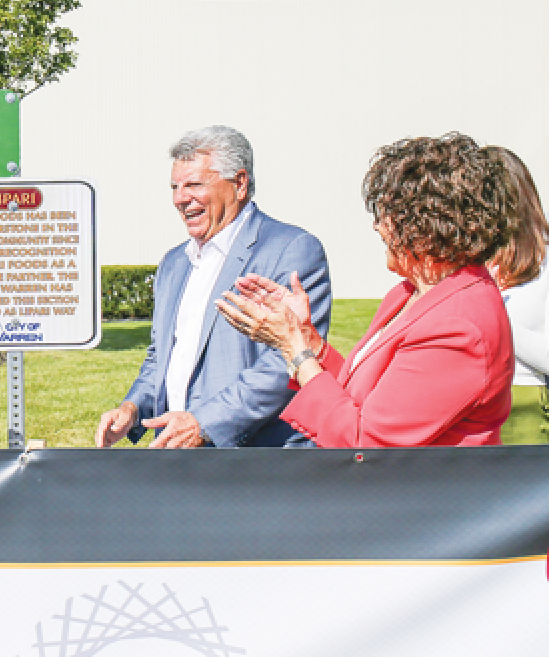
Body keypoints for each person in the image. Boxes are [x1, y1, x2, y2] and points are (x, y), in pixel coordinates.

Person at [219, 133, 516, 447]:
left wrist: (295, 351)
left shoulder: (458, 326)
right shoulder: (409, 294)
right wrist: (305, 336)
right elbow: (361, 395)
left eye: (386, 215)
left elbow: (365, 443)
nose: (377, 226)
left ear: (426, 226)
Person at [95, 125, 332, 449]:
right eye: (175, 187)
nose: (180, 199)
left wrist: (204, 424)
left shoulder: (290, 250)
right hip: (178, 463)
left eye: (193, 185)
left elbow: (286, 363)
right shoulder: (174, 263)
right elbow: (161, 359)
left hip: (255, 467)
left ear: (240, 184)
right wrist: (132, 409)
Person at [486, 147, 549, 443]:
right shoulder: (473, 258)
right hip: (471, 403)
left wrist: (495, 317)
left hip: (523, 404)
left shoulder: (544, 261)